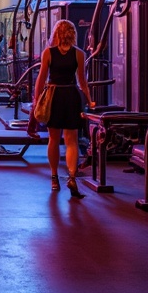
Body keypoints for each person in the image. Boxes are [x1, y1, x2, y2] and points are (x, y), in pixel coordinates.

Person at [31, 19, 94, 199]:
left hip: (54, 96)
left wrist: (36, 100)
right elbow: (82, 82)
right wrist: (89, 101)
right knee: (72, 140)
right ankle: (72, 177)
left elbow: (41, 79)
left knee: (53, 138)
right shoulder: (79, 54)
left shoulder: (48, 53)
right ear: (72, 33)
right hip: (71, 96)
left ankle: (54, 177)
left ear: (56, 33)